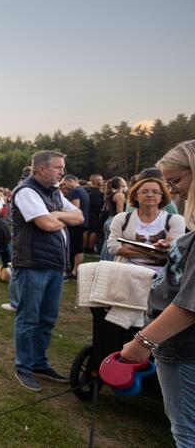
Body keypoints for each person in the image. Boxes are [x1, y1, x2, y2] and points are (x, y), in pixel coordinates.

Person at [120, 140, 195, 446]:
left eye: (175, 180)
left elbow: (190, 304)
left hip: (185, 350)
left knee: (186, 433)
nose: (172, 190)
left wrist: (143, 342)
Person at [11, 151, 84, 392]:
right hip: (32, 264)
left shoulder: (53, 193)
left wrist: (58, 214)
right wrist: (61, 218)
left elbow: (80, 217)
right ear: (42, 169)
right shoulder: (26, 191)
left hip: (54, 265)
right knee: (28, 318)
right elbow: (46, 224)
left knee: (47, 319)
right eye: (58, 167)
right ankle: (23, 367)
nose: (62, 172)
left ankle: (39, 363)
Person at [107, 178, 185, 273]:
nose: (150, 195)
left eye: (155, 192)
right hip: (127, 275)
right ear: (135, 196)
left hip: (162, 279)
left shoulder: (176, 220)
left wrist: (130, 246)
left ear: (162, 197)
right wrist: (157, 252)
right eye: (144, 192)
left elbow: (174, 251)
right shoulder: (121, 219)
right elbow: (113, 248)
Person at [62, 175, 89, 280]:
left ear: (71, 181)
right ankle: (75, 271)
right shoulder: (83, 190)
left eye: (65, 183)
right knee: (78, 247)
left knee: (75, 247)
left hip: (75, 222)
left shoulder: (75, 191)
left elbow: (74, 208)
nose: (64, 186)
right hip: (83, 222)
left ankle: (73, 271)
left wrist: (62, 211)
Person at [100, 176, 128, 260]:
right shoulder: (119, 195)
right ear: (120, 184)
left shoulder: (113, 194)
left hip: (109, 220)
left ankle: (104, 262)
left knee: (107, 244)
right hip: (114, 220)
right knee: (113, 245)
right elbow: (120, 211)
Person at [85, 174, 105, 253]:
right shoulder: (97, 193)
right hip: (94, 214)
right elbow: (97, 204)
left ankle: (85, 246)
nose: (102, 181)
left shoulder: (86, 190)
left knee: (86, 230)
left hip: (86, 213)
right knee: (94, 231)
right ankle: (90, 248)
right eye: (101, 180)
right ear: (96, 181)